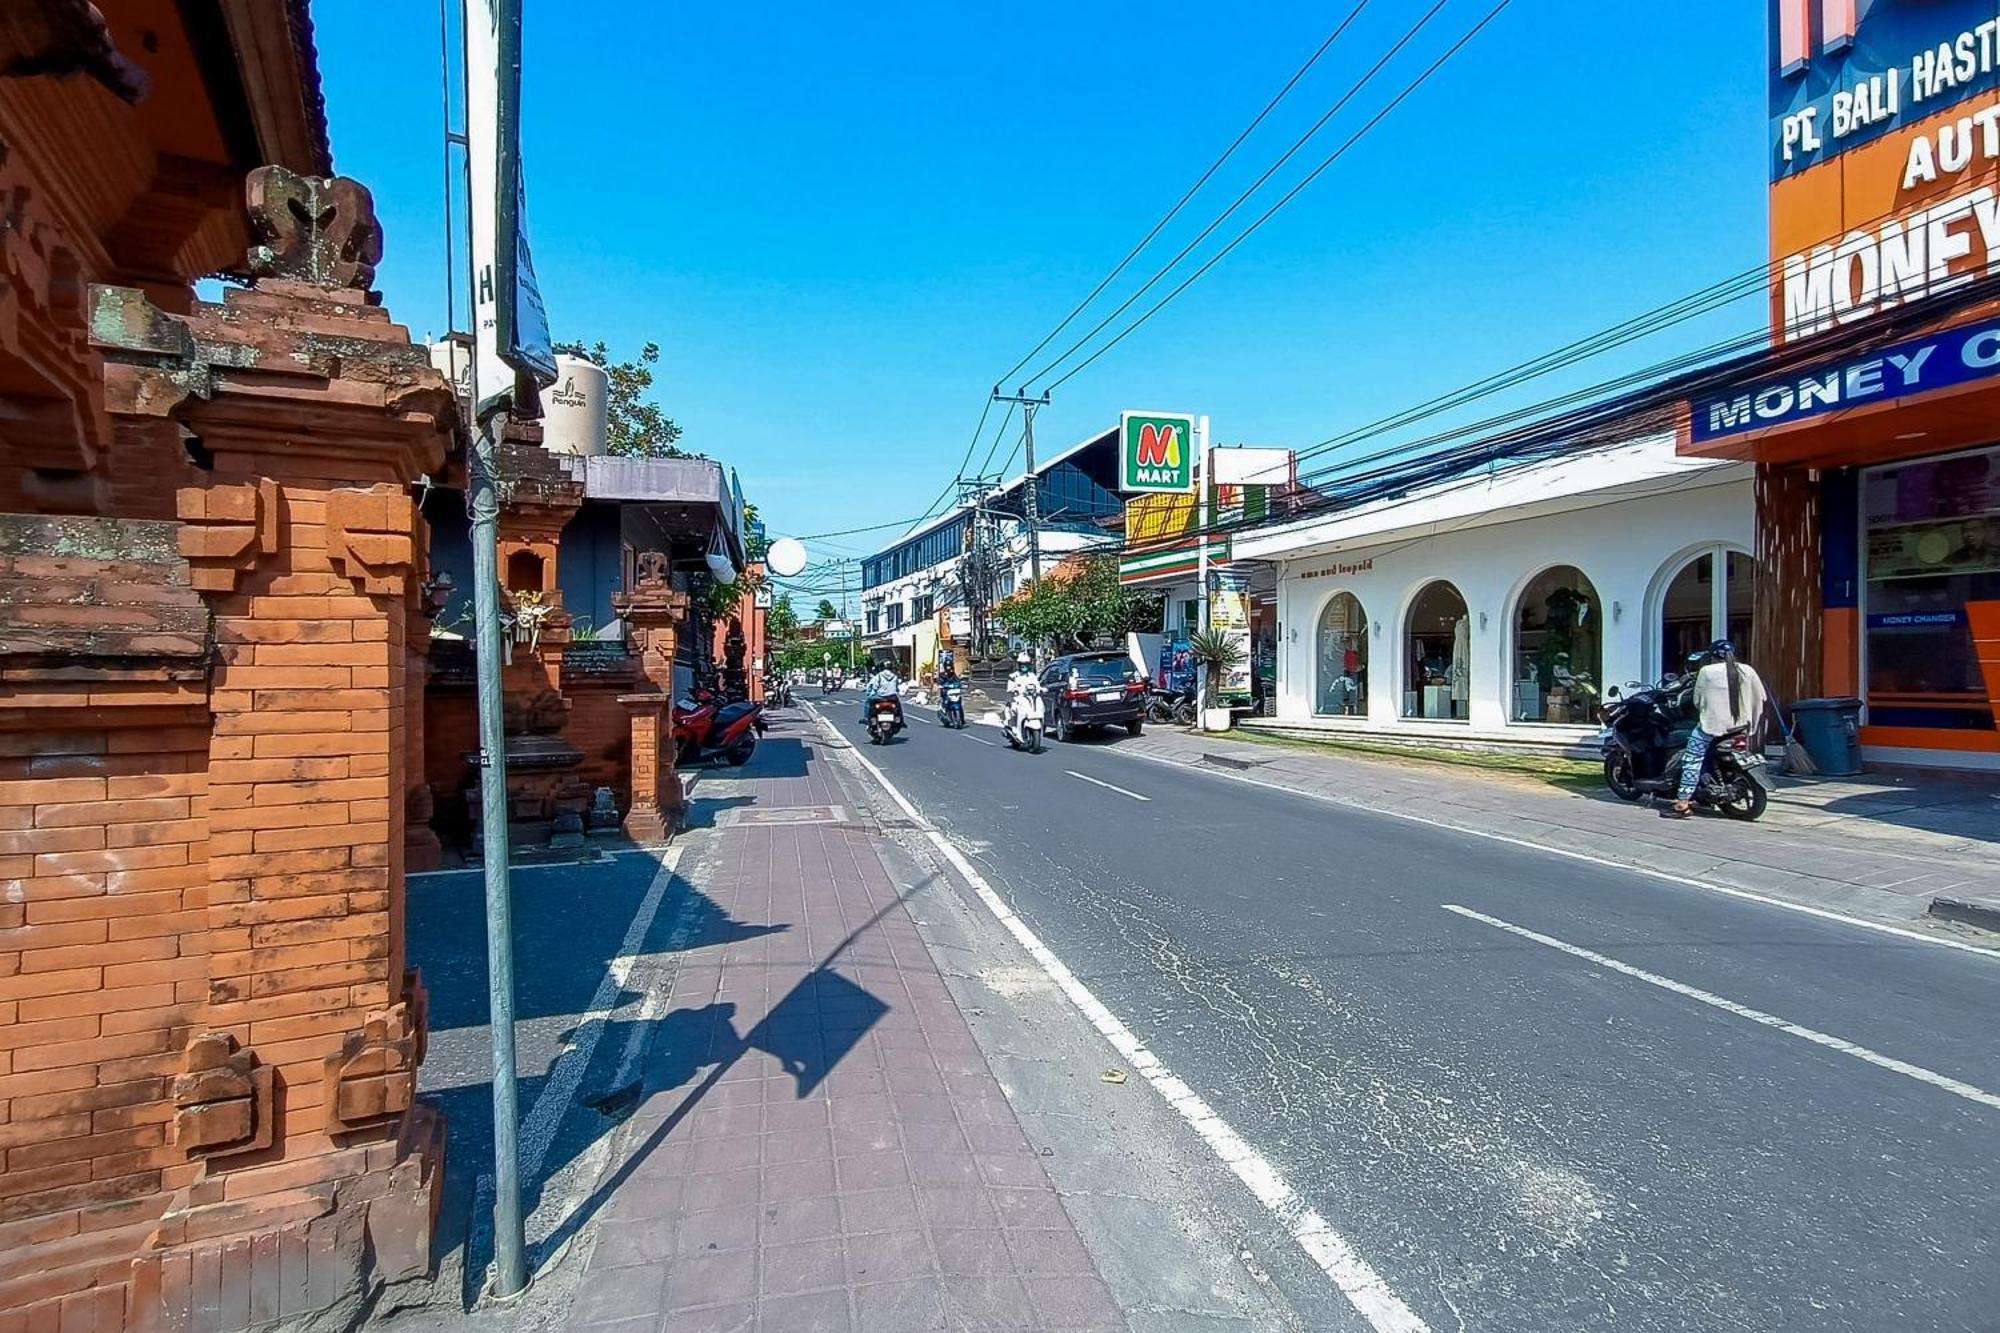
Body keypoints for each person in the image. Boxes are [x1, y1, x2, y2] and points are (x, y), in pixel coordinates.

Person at [1666, 639, 1767, 818]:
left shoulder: (1707, 671)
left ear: (1712, 656)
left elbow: (1698, 700)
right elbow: (1760, 698)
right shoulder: (1748, 670)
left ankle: (1682, 802)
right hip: (1740, 726)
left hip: (1711, 727)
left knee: (1692, 759)